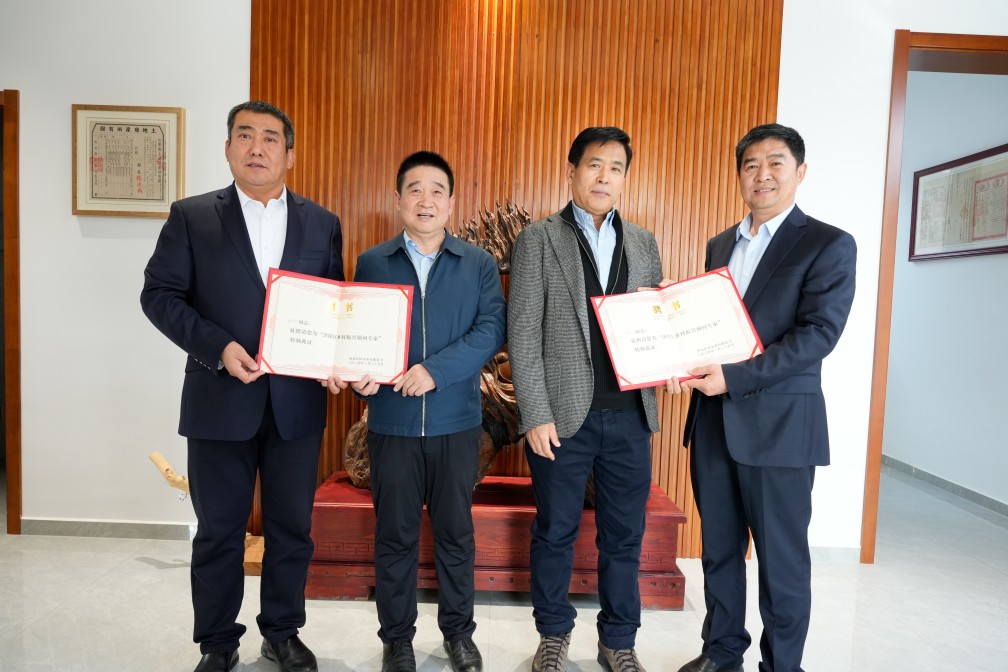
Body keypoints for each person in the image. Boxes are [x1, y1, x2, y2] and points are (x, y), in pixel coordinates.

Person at [141, 100, 344, 672]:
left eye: (271, 138)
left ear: (290, 155)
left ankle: (282, 631)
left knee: (291, 529)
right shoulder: (192, 216)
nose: (258, 148)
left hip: (296, 404)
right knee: (219, 532)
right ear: (228, 148)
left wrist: (333, 357)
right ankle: (218, 643)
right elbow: (158, 296)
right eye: (245, 136)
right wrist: (219, 348)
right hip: (218, 400)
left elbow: (333, 306)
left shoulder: (322, 223)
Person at [668, 123, 856, 672]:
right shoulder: (720, 244)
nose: (763, 174)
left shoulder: (827, 243)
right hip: (713, 424)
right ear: (740, 175)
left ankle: (782, 665)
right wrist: (678, 360)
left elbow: (817, 335)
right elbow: (709, 328)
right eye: (751, 164)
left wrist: (734, 377)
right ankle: (722, 652)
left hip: (780, 430)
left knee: (782, 563)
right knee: (719, 551)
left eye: (776, 163)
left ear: (800, 172)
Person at [508, 127, 663, 672]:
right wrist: (534, 413)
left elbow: (654, 325)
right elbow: (523, 334)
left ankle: (618, 641)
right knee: (555, 532)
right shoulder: (538, 239)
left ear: (624, 177)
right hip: (561, 419)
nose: (604, 176)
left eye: (616, 167)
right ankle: (553, 635)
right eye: (594, 164)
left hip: (631, 417)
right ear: (572, 171)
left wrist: (671, 363)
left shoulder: (643, 242)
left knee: (625, 536)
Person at [343, 151, 505, 672]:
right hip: (391, 424)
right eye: (415, 189)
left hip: (457, 424)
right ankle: (397, 640)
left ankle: (459, 635)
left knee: (456, 536)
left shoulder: (477, 263)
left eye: (437, 190)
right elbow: (358, 333)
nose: (426, 200)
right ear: (398, 200)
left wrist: (435, 371)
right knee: (394, 537)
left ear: (451, 203)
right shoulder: (373, 262)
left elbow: (490, 329)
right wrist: (359, 376)